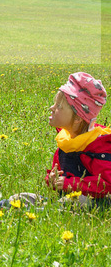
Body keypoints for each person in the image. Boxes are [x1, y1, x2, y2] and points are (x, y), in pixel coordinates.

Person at [44, 72, 110, 205]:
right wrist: (52, 179)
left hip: (96, 202)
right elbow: (59, 174)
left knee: (71, 202)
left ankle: (40, 211)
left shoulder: (97, 146)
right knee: (22, 197)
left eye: (59, 107)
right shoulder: (67, 142)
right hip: (67, 199)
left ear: (78, 118)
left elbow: (107, 184)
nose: (52, 108)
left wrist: (73, 184)